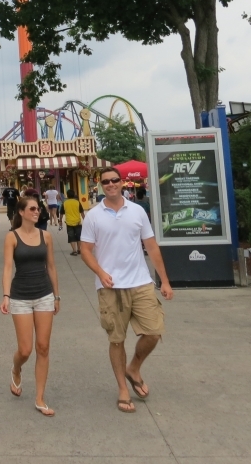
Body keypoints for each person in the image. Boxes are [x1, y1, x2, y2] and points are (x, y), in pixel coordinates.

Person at [80, 168, 174, 414]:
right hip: (111, 286)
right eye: (106, 182)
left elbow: (151, 246)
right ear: (100, 185)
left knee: (154, 331)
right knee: (116, 339)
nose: (111, 184)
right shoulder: (93, 216)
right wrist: (100, 273)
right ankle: (123, 388)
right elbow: (86, 250)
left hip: (140, 282)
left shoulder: (137, 211)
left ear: (122, 183)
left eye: (115, 180)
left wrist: (164, 280)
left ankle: (133, 368)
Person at [1, 196, 60, 416]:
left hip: (44, 294)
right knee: (25, 349)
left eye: (39, 208)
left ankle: (40, 398)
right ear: (22, 212)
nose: (37, 211)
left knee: (43, 347)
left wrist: (57, 296)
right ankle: (16, 368)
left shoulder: (46, 236)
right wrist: (6, 295)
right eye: (33, 208)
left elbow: (52, 267)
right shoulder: (11, 237)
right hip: (21, 297)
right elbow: (8, 268)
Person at [63, 189, 84, 256]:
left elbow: (61, 213)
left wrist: (60, 220)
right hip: (77, 222)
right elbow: (82, 212)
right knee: (79, 236)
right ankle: (79, 249)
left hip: (69, 222)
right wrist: (85, 220)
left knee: (71, 237)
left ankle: (74, 251)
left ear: (67, 195)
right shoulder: (77, 202)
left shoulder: (65, 203)